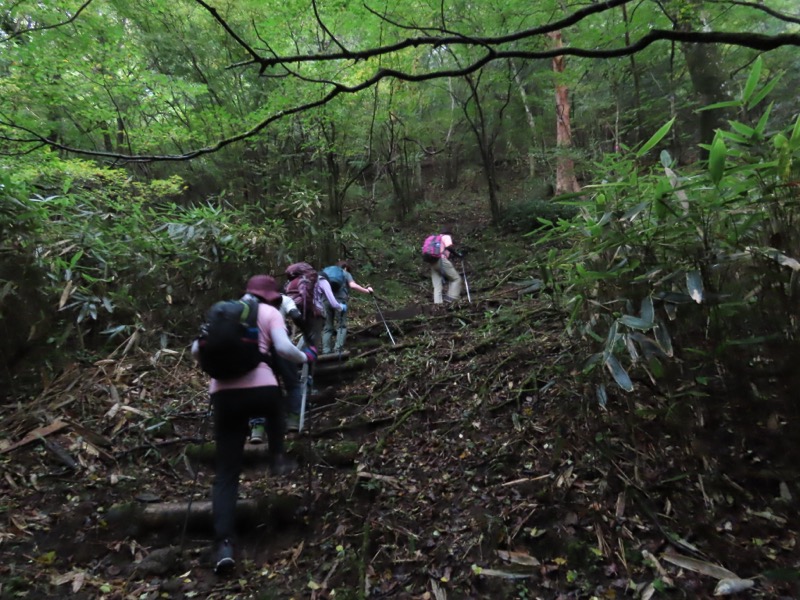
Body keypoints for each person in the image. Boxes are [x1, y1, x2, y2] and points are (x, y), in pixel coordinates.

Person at [192, 275, 317, 575]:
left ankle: (223, 543)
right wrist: (307, 356)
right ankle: (277, 456)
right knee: (274, 406)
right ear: (270, 297)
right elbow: (285, 350)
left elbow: (197, 350)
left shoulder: (221, 312)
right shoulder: (270, 313)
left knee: (226, 473)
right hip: (261, 389)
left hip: (223, 396)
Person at [248, 276, 310, 441]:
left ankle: (258, 428)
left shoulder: (248, 305)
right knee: (293, 384)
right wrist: (308, 334)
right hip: (281, 346)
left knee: (260, 387)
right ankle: (293, 421)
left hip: (257, 350)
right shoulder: (284, 300)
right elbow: (296, 316)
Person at [320, 261, 374, 355]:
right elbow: (353, 285)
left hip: (325, 301)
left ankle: (326, 351)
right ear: (345, 267)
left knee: (327, 327)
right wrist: (367, 291)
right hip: (340, 301)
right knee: (341, 325)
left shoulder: (326, 274)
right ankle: (338, 350)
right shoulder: (345, 273)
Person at [430, 226, 463, 304]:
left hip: (432, 262)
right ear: (449, 233)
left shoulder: (436, 239)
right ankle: (450, 300)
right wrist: (458, 255)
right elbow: (449, 247)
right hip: (441, 260)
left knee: (437, 286)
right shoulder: (446, 237)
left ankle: (438, 306)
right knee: (456, 279)